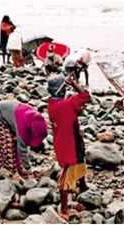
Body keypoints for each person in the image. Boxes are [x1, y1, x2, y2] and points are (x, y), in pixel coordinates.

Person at [47, 75, 90, 220]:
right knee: (66, 176)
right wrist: (74, 83)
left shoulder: (52, 104)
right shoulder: (67, 104)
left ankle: (81, 188)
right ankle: (64, 209)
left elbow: (73, 112)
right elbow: (85, 95)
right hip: (70, 143)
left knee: (79, 162)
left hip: (65, 141)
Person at [0, 99, 48, 179]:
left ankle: (16, 166)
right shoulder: (23, 128)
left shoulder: (39, 120)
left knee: (14, 141)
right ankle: (10, 170)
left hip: (11, 114)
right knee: (8, 143)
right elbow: (22, 149)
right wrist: (28, 168)